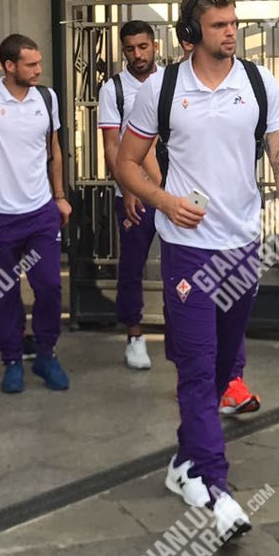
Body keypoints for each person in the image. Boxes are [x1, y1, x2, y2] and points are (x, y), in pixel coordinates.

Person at [114, 0, 279, 541]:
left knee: (222, 370)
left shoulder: (259, 83)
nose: (231, 32)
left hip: (242, 246)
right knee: (197, 370)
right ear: (191, 33)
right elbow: (125, 163)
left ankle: (183, 463)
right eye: (219, 24)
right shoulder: (164, 88)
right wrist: (163, 201)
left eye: (233, 22)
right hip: (187, 249)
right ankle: (217, 489)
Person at [0, 33, 72, 393]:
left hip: (41, 212)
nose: (38, 70)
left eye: (39, 63)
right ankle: (11, 360)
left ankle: (46, 354)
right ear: (10, 66)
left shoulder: (47, 98)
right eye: (31, 65)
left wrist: (59, 196)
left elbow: (54, 150)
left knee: (49, 286)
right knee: (5, 292)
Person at [98, 19, 163, 370]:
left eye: (142, 47)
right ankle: (134, 335)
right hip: (134, 191)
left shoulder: (172, 80)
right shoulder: (114, 89)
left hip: (176, 188)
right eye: (129, 49)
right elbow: (111, 145)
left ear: (155, 45)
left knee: (184, 260)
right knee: (132, 264)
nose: (137, 54)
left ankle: (185, 329)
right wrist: (127, 188)